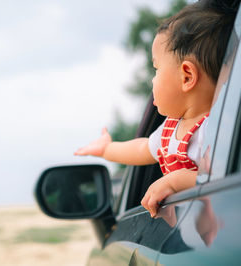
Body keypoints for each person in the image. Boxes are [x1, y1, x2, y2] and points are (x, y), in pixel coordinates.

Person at [74, 0, 240, 217]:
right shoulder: (169, 130)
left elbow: (219, 179)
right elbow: (142, 149)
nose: (153, 81)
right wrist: (107, 150)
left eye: (156, 69)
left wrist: (176, 181)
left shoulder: (216, 129)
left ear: (187, 76)